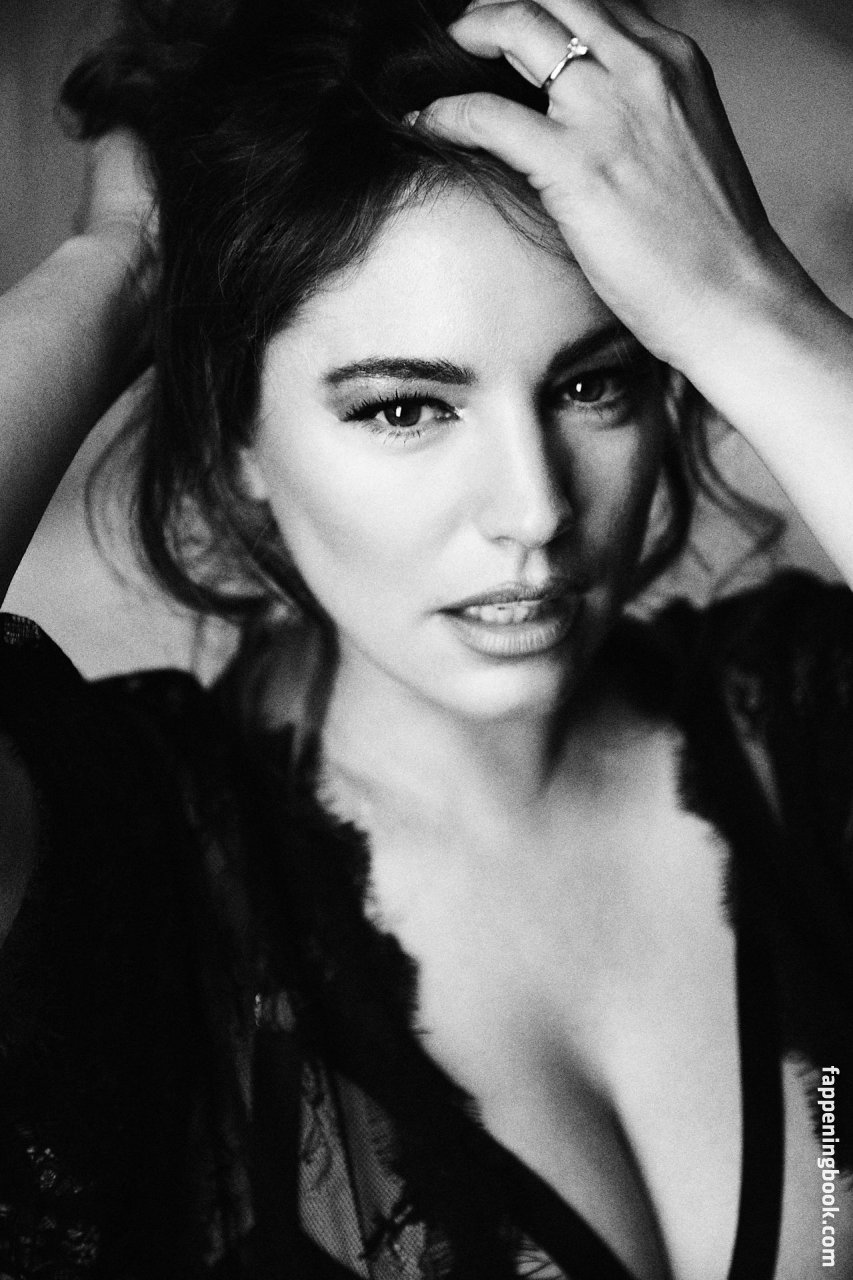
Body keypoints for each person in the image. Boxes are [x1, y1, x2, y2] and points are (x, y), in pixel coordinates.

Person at [1, 0, 852, 1276]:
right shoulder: (128, 857)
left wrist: (740, 294)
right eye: (405, 407)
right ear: (237, 440)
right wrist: (114, 267)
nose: (534, 510)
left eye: (592, 382)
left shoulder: (804, 721)